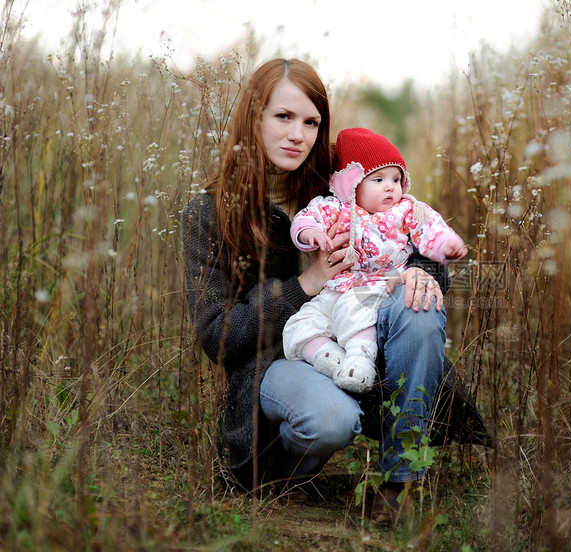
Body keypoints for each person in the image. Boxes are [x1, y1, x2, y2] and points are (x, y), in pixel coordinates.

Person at [181, 58, 487, 526]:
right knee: (331, 421)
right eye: (283, 117)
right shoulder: (211, 214)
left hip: (359, 325)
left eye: (310, 122)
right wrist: (306, 283)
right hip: (277, 359)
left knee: (417, 310)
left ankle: (399, 482)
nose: (297, 134)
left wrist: (424, 270)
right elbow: (217, 336)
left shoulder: (337, 181)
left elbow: (407, 219)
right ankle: (274, 471)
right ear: (253, 118)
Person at [282, 127, 468, 394]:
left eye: (395, 179)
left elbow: (430, 228)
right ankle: (327, 357)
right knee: (300, 324)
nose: (390, 187)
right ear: (351, 185)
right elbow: (308, 218)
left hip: (375, 289)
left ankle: (359, 364)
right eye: (378, 179)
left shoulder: (404, 210)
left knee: (358, 319)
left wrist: (445, 244)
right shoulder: (335, 207)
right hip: (333, 289)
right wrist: (310, 233)